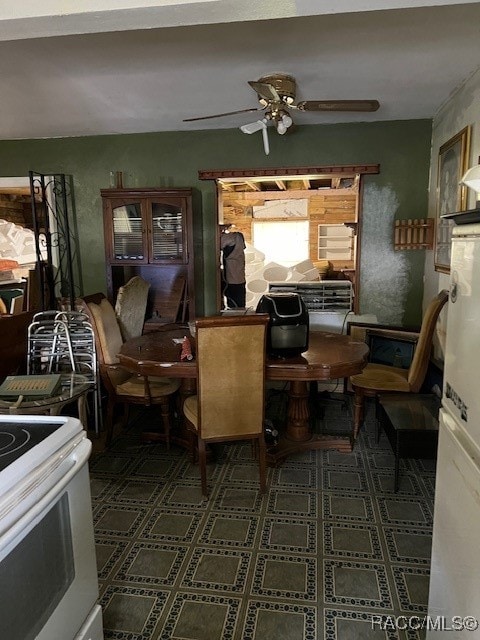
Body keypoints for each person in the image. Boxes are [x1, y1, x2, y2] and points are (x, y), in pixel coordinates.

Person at [220, 225, 246, 308]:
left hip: (232, 280)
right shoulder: (239, 237)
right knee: (239, 305)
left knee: (234, 306)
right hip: (239, 279)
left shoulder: (231, 238)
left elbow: (218, 243)